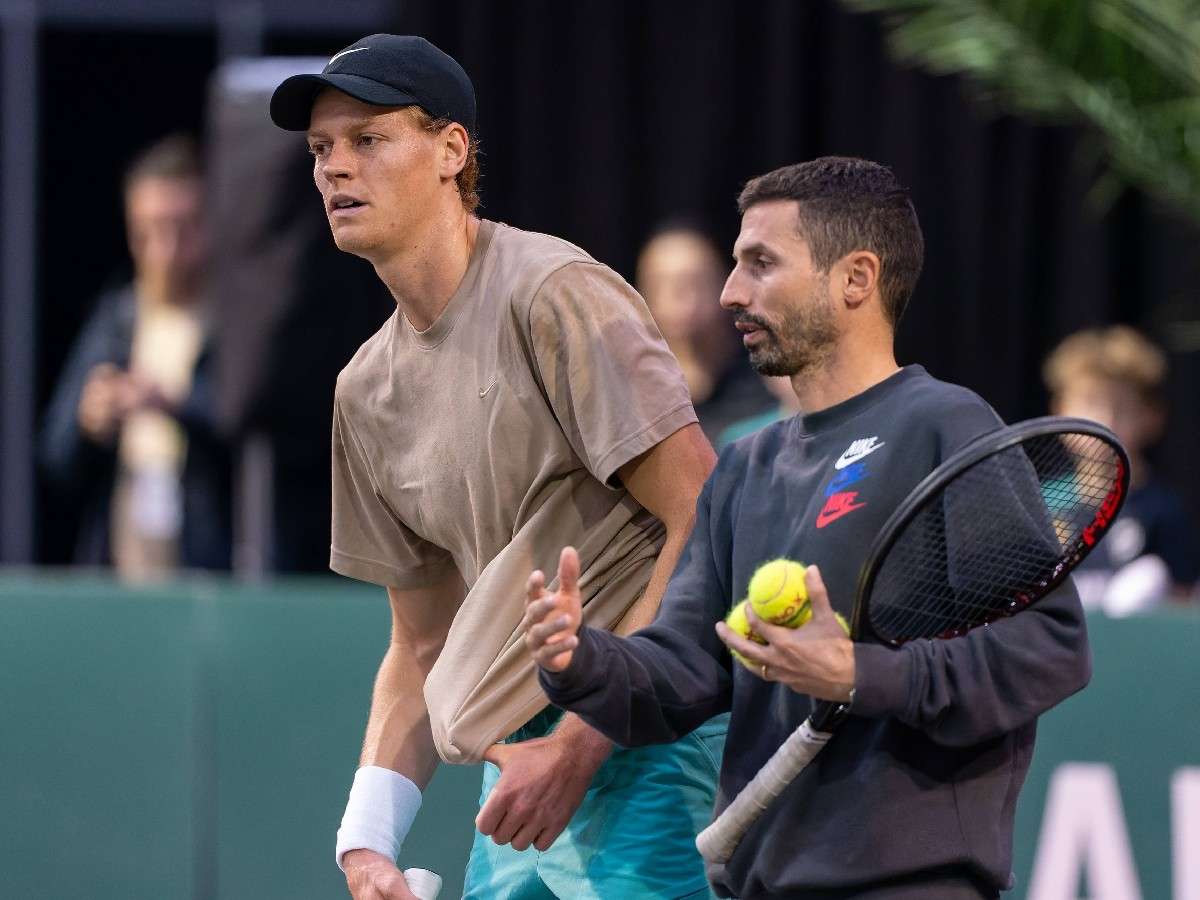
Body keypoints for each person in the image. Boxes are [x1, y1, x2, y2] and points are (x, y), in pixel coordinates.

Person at [524, 157, 1093, 899]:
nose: (731, 293)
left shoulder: (946, 426)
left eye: (761, 264)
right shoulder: (743, 466)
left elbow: (1048, 648)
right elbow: (681, 674)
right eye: (734, 265)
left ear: (855, 278)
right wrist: (579, 660)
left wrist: (861, 675)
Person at [268, 34, 722, 900]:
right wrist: (366, 845)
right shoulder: (363, 390)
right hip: (519, 761)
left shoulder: (554, 292)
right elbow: (420, 641)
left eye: (368, 140)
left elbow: (701, 514)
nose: (334, 169)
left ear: (451, 151)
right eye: (322, 149)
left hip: (646, 732)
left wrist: (586, 741)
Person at [39, 134, 231, 580]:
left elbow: (262, 435)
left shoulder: (233, 322)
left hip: (211, 562)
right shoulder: (117, 318)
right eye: (149, 231)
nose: (165, 251)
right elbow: (55, 454)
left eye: (183, 229)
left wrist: (173, 406)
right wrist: (89, 420)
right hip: (124, 555)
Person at [1043, 325, 1198, 612]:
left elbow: (1183, 607)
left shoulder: (1166, 511)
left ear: (1152, 417)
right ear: (1060, 411)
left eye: (1122, 408)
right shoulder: (1040, 506)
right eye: (1090, 404)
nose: (1105, 420)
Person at [636, 224, 776, 441]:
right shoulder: (632, 401)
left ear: (725, 286)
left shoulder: (766, 382)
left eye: (693, 282)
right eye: (661, 284)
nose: (678, 295)